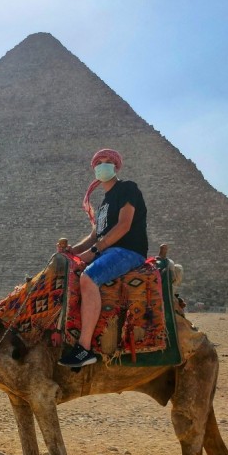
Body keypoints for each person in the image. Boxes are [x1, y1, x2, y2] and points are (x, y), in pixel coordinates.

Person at [59, 149, 148, 367]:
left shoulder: (127, 188)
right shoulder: (103, 204)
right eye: (99, 162)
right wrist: (73, 251)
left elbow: (124, 225)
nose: (103, 165)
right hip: (108, 250)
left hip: (128, 251)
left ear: (116, 167)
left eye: (108, 162)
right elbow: (94, 235)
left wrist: (95, 252)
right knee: (67, 271)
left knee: (88, 278)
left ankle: (84, 348)